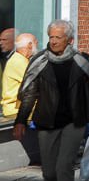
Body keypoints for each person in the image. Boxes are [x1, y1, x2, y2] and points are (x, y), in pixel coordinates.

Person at [13, 20, 89, 181]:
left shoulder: (81, 61)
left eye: (58, 37)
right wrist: (20, 121)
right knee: (49, 172)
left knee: (64, 167)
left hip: (74, 122)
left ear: (69, 40)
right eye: (51, 37)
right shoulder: (40, 61)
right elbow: (30, 94)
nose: (53, 41)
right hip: (47, 122)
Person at [2, 33, 39, 164]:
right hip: (14, 108)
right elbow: (35, 84)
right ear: (29, 45)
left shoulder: (21, 60)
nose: (37, 45)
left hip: (23, 106)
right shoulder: (19, 61)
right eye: (36, 42)